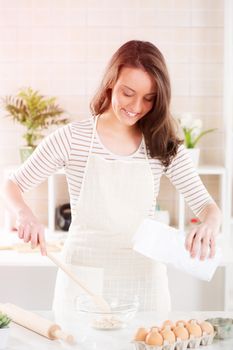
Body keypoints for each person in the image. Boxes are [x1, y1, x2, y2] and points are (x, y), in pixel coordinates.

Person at [2, 40, 221, 313]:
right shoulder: (73, 138)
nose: (136, 106)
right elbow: (12, 184)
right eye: (127, 93)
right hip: (83, 283)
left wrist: (209, 225)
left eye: (149, 98)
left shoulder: (161, 144)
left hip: (145, 285)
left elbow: (207, 207)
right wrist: (24, 214)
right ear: (110, 83)